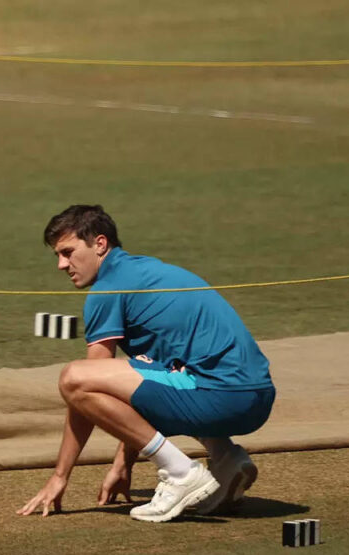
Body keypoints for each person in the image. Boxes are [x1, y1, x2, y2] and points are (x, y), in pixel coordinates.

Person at [17, 205, 276, 522]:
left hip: (222, 399)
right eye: (58, 255)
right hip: (255, 397)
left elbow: (85, 390)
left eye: (68, 252)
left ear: (100, 244)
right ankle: (225, 458)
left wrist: (60, 476)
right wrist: (122, 463)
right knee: (148, 372)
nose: (61, 264)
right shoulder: (148, 271)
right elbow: (141, 388)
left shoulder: (107, 289)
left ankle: (181, 472)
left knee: (74, 377)